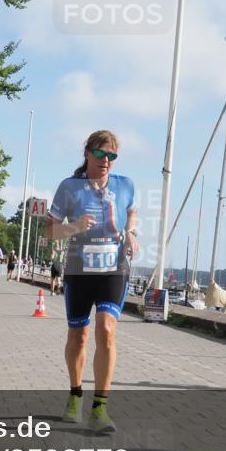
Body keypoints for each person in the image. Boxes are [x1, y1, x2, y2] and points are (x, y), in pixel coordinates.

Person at [46, 130, 138, 434]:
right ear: (87, 153)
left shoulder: (125, 185)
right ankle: (75, 395)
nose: (106, 161)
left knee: (107, 330)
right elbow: (50, 232)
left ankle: (100, 408)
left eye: (112, 156)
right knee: (79, 336)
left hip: (113, 268)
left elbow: (131, 211)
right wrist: (73, 226)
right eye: (101, 155)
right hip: (79, 268)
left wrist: (132, 234)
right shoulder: (69, 187)